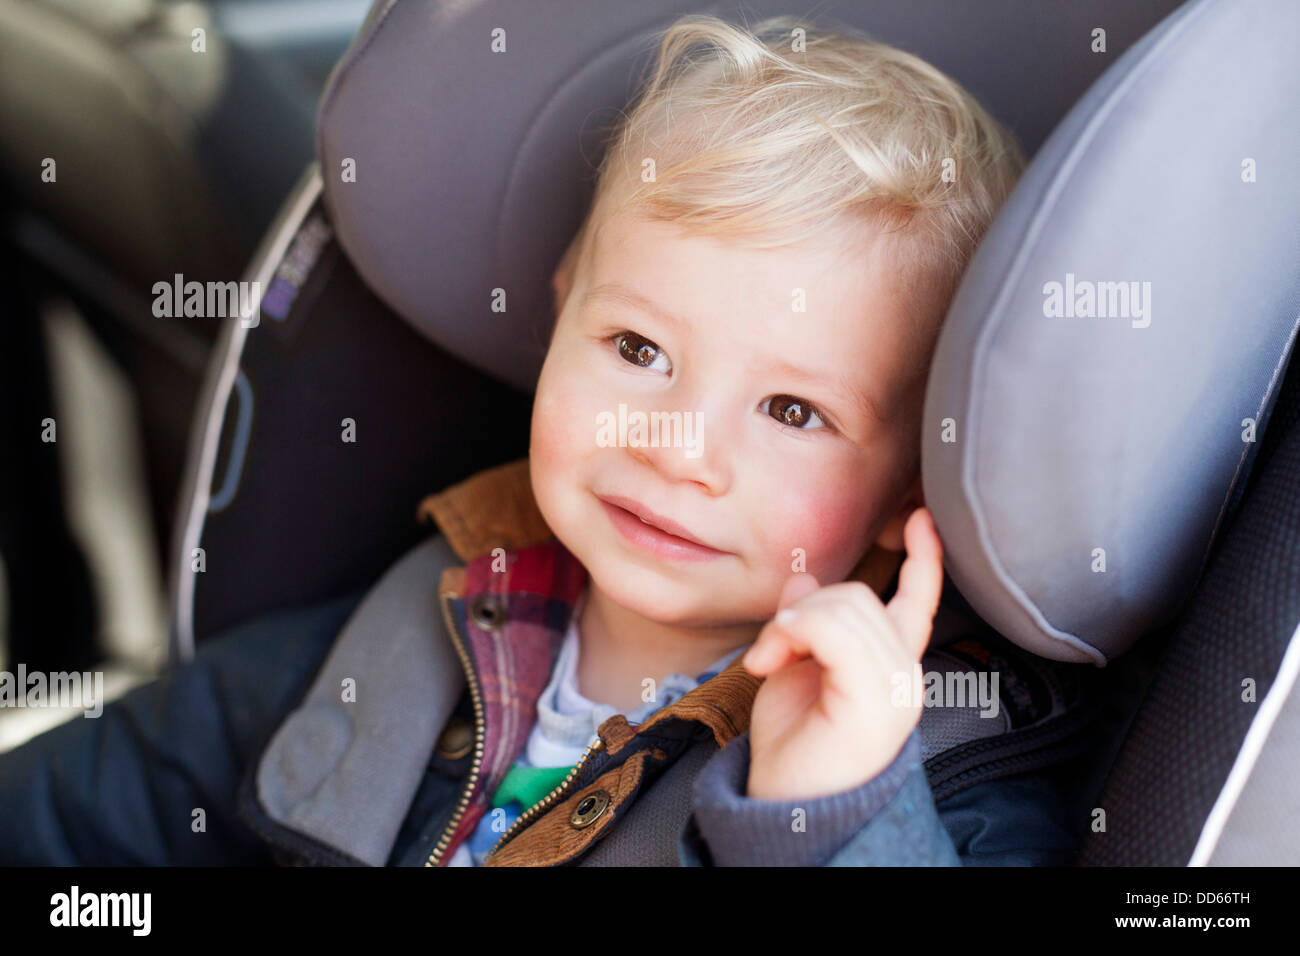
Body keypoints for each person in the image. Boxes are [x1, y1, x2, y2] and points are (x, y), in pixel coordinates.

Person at [0, 14, 1102, 867]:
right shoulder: (404, 626)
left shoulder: (940, 756)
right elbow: (78, 807)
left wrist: (831, 814)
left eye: (792, 412)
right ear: (561, 305)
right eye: (635, 347)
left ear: (911, 477)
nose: (676, 446)